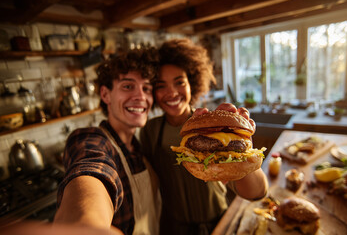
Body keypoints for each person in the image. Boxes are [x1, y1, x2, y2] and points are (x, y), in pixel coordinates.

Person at [140, 38, 268, 235]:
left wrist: (242, 150)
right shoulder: (150, 130)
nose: (171, 92)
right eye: (161, 85)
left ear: (192, 83)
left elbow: (257, 193)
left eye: (179, 82)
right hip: (173, 228)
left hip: (218, 223)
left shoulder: (217, 124)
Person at [54, 48, 161, 235]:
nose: (141, 96)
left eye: (147, 89)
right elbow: (93, 169)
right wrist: (86, 225)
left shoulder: (140, 147)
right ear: (105, 95)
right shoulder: (91, 140)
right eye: (128, 86)